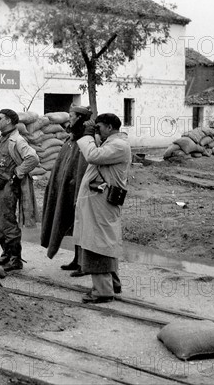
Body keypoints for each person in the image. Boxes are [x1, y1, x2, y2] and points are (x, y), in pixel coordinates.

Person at [73, 113, 131, 304]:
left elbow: (91, 155)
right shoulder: (111, 143)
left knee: (97, 244)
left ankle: (103, 291)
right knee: (104, 242)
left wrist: (88, 135)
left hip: (102, 203)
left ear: (108, 127)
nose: (97, 131)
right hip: (99, 201)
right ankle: (112, 283)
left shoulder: (119, 145)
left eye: (98, 128)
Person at [41, 105, 92, 277]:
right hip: (66, 189)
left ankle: (84, 263)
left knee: (82, 226)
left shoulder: (86, 140)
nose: (69, 119)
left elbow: (83, 169)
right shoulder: (71, 140)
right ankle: (77, 259)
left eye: (71, 116)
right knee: (74, 225)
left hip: (79, 191)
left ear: (79, 118)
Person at [0, 109, 39, 272]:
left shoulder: (17, 140)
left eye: (0, 119)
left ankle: (16, 259)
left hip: (9, 187)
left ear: (9, 120)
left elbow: (33, 158)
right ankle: (6, 253)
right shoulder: (2, 138)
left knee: (7, 222)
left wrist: (18, 172)